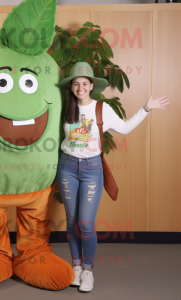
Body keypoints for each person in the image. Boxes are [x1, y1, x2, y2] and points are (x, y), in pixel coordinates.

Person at [56, 62, 169, 292]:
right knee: (71, 221)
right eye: (76, 84)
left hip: (91, 169)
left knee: (85, 223)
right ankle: (75, 268)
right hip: (67, 167)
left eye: (84, 84)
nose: (80, 88)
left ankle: (88, 272)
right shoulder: (65, 107)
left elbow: (125, 128)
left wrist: (145, 109)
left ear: (91, 86)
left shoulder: (101, 109)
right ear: (71, 87)